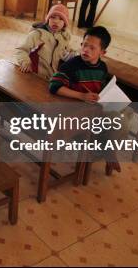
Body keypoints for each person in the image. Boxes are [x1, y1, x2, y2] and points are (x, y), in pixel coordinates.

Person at [49, 26, 131, 173]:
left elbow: (102, 89)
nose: (86, 50)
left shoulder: (102, 68)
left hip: (95, 109)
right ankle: (107, 152)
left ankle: (103, 148)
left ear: (103, 52)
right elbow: (54, 86)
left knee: (128, 112)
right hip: (79, 113)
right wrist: (81, 96)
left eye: (92, 48)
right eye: (84, 45)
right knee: (117, 119)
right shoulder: (73, 64)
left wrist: (106, 96)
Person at [14, 4, 75, 80]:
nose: (56, 21)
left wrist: (73, 56)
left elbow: (69, 53)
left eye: (61, 19)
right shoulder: (37, 34)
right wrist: (25, 62)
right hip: (36, 76)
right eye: (53, 17)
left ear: (65, 24)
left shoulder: (64, 38)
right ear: (48, 19)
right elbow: (21, 50)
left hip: (53, 78)